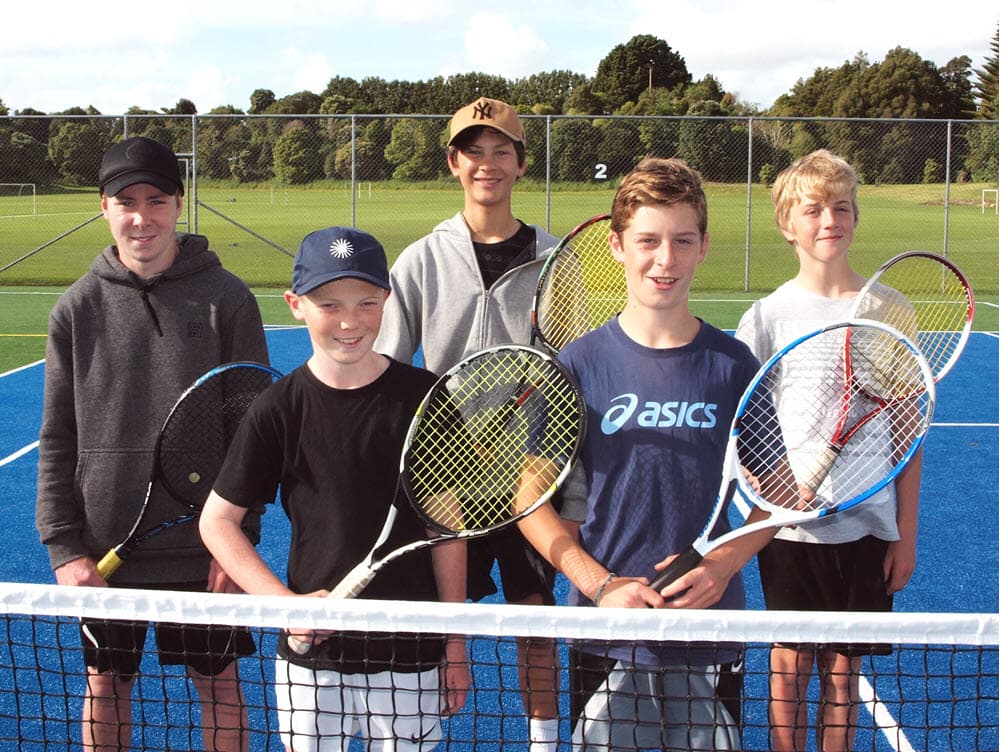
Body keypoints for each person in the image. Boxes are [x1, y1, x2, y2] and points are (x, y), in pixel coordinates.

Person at [515, 157, 782, 751]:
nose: (665, 259)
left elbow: (777, 499)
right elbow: (529, 497)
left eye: (682, 240)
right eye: (648, 241)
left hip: (709, 629)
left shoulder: (735, 365)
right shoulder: (577, 367)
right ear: (617, 246)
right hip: (605, 630)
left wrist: (722, 566)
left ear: (704, 246)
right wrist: (598, 581)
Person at [34, 135, 269, 751]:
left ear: (178, 204)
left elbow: (253, 437)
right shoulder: (75, 310)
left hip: (206, 543)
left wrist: (238, 541)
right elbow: (58, 434)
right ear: (104, 206)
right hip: (106, 550)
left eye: (157, 200)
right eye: (126, 201)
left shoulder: (228, 299)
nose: (142, 217)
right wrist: (64, 547)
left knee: (218, 684)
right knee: (105, 684)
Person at [199, 226, 470, 752]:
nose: (350, 322)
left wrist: (453, 641)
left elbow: (446, 529)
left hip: (409, 652)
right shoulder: (278, 408)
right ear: (296, 305)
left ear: (388, 301)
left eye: (367, 302)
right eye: (329, 304)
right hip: (311, 659)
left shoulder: (425, 398)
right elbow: (217, 521)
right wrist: (285, 605)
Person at [374, 96, 563, 752]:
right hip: (446, 476)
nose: (488, 163)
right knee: (437, 622)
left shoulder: (556, 258)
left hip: (530, 475)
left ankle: (543, 742)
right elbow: (389, 369)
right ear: (454, 163)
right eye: (474, 151)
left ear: (520, 163)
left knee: (535, 622)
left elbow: (574, 368)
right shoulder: (421, 260)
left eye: (501, 150)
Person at [734, 149, 923, 752]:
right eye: (812, 209)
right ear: (787, 224)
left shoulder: (891, 311)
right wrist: (771, 487)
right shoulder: (766, 317)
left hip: (868, 523)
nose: (828, 220)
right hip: (788, 530)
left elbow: (908, 434)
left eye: (841, 207)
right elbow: (745, 429)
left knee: (843, 672)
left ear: (855, 217)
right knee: (787, 664)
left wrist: (905, 532)